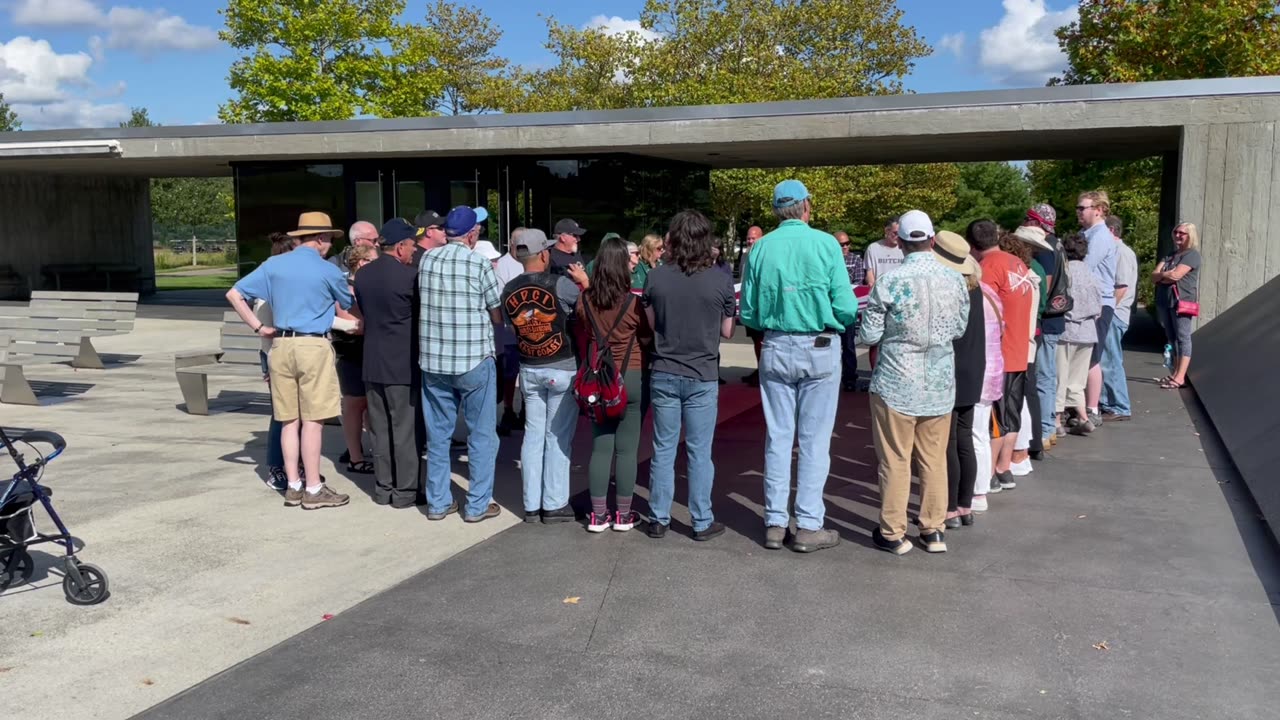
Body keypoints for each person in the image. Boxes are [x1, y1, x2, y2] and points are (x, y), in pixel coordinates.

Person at [740, 180, 857, 553]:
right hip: (819, 345)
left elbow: (749, 311)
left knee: (778, 436)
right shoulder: (825, 243)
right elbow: (847, 308)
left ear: (777, 210)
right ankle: (808, 523)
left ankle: (775, 520)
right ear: (807, 205)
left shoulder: (761, 249)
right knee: (814, 439)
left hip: (775, 344)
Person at [225, 211, 353, 510]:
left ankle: (293, 485)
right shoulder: (327, 270)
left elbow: (234, 294)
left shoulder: (273, 265)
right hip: (313, 345)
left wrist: (258, 327)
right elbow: (347, 303)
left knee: (288, 421)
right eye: (329, 241)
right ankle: (313, 487)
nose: (330, 246)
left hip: (280, 345)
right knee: (313, 421)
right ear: (320, 239)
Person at [859, 210, 969, 555]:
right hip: (938, 383)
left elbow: (869, 334)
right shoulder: (955, 280)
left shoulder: (890, 282)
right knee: (934, 459)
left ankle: (893, 531)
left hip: (896, 381)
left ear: (901, 243)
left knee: (895, 459)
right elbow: (959, 329)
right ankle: (933, 529)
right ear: (932, 241)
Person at [643, 209, 736, 542]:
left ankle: (658, 517)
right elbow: (727, 331)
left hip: (665, 369)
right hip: (702, 373)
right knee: (699, 451)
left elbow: (653, 325)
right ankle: (701, 520)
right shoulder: (721, 279)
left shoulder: (656, 277)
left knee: (663, 448)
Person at [417, 206, 503, 523]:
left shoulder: (426, 260)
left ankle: (438, 503)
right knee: (481, 435)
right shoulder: (479, 263)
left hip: (434, 361)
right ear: (471, 234)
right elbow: (496, 313)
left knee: (437, 436)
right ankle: (477, 506)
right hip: (473, 359)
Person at [500, 229, 580, 524]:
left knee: (533, 436)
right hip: (561, 364)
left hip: (530, 366)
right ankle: (555, 503)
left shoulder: (508, 289)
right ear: (544, 254)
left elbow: (511, 326)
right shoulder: (560, 284)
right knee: (556, 436)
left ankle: (531, 504)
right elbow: (583, 311)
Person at [579, 236, 652, 532]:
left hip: (599, 380)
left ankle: (598, 515)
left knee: (600, 447)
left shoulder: (585, 301)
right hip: (632, 375)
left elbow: (585, 330)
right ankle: (623, 514)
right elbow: (647, 337)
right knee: (627, 450)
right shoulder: (634, 303)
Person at [355, 219, 423, 507]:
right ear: (399, 247)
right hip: (402, 363)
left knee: (379, 430)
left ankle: (383, 488)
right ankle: (405, 491)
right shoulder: (410, 278)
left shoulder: (362, 276)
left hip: (372, 361)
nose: (415, 249)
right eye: (411, 245)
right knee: (404, 431)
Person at [971, 219, 1035, 493]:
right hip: (1020, 348)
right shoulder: (1016, 263)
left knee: (994, 420)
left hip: (999, 352)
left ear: (972, 244)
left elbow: (983, 313)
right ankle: (1004, 467)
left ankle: (990, 474)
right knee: (1012, 413)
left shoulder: (988, 268)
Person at [943, 232, 984, 529]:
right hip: (974, 367)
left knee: (948, 443)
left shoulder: (950, 291)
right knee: (964, 439)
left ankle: (948, 508)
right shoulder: (977, 289)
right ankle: (965, 504)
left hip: (952, 368)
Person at [1002, 227, 1048, 479]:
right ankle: (1030, 446)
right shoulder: (1035, 271)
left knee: (1016, 401)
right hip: (1029, 338)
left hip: (1016, 342)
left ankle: (1019, 451)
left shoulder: (1021, 275)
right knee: (1025, 397)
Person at [1024, 204, 1068, 451]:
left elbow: (1046, 283)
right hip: (1057, 316)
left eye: (1028, 219)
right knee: (1049, 375)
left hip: (1047, 318)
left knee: (1043, 376)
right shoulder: (1058, 243)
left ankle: (1044, 429)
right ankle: (1049, 426)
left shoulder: (1044, 247)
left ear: (1036, 222)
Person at [255, 232, 296, 490]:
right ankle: (275, 468)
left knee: (296, 415)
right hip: (274, 354)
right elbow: (266, 331)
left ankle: (294, 465)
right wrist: (270, 365)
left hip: (286, 353)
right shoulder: (268, 285)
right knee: (281, 415)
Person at [333, 244, 377, 474]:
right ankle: (355, 457)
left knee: (370, 405)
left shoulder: (369, 285)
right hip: (350, 352)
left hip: (370, 351)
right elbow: (353, 324)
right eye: (373, 260)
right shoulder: (344, 288)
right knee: (353, 404)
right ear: (361, 263)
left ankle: (374, 451)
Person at [1077, 191, 1118, 428]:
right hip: (1092, 302)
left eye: (1083, 208)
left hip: (1099, 303)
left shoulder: (1100, 236)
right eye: (1078, 208)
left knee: (1092, 356)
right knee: (1086, 355)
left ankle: (1093, 408)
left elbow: (1084, 267)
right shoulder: (1087, 234)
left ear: (1099, 209)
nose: (1079, 212)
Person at [1057, 232, 1102, 435]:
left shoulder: (1065, 272)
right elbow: (1098, 307)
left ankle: (1057, 421)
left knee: (1060, 377)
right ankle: (1084, 418)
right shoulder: (1091, 274)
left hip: (1067, 331)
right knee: (1077, 379)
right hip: (1088, 332)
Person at [969, 265, 1004, 514]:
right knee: (980, 433)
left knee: (974, 435)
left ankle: (978, 490)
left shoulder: (971, 298)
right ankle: (981, 487)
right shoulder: (991, 294)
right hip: (992, 370)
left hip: (976, 372)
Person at [1152, 222, 1201, 390]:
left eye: (1182, 233)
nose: (1178, 235)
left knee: (1183, 338)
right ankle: (1174, 373)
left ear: (1190, 236)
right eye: (1176, 232)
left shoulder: (1191, 255)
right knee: (1172, 338)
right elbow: (1153, 277)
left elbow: (1176, 275)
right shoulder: (1171, 255)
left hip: (1181, 302)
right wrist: (1165, 275)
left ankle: (1180, 377)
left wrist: (1163, 276)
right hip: (1166, 301)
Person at [1100, 215, 1137, 420]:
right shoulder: (1117, 252)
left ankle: (1120, 405)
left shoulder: (1122, 253)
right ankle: (1108, 403)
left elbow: (1121, 286)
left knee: (1111, 359)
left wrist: (1108, 310)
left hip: (1115, 313)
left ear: (1111, 231)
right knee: (1106, 358)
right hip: (1114, 312)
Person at [493, 227, 526, 435]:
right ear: (512, 244)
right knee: (509, 374)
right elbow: (499, 300)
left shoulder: (530, 262)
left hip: (530, 330)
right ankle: (508, 410)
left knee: (527, 372)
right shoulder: (503, 266)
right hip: (509, 331)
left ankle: (525, 409)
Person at [864, 217, 904, 371]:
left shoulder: (903, 247)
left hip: (900, 299)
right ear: (886, 231)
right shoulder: (873, 248)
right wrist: (873, 289)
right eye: (895, 232)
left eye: (900, 233)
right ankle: (875, 371)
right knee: (876, 338)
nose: (897, 236)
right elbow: (869, 273)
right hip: (880, 300)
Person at [834, 230, 866, 392]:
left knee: (848, 345)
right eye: (841, 244)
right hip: (831, 310)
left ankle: (849, 377)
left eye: (847, 243)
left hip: (847, 310)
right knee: (829, 346)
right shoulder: (829, 260)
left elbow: (858, 284)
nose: (845, 247)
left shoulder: (856, 260)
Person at [741, 225, 765, 387]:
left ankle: (763, 371)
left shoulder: (766, 255)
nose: (750, 241)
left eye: (753, 238)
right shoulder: (744, 256)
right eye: (748, 238)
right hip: (748, 305)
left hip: (761, 305)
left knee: (762, 341)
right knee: (755, 340)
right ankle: (759, 368)